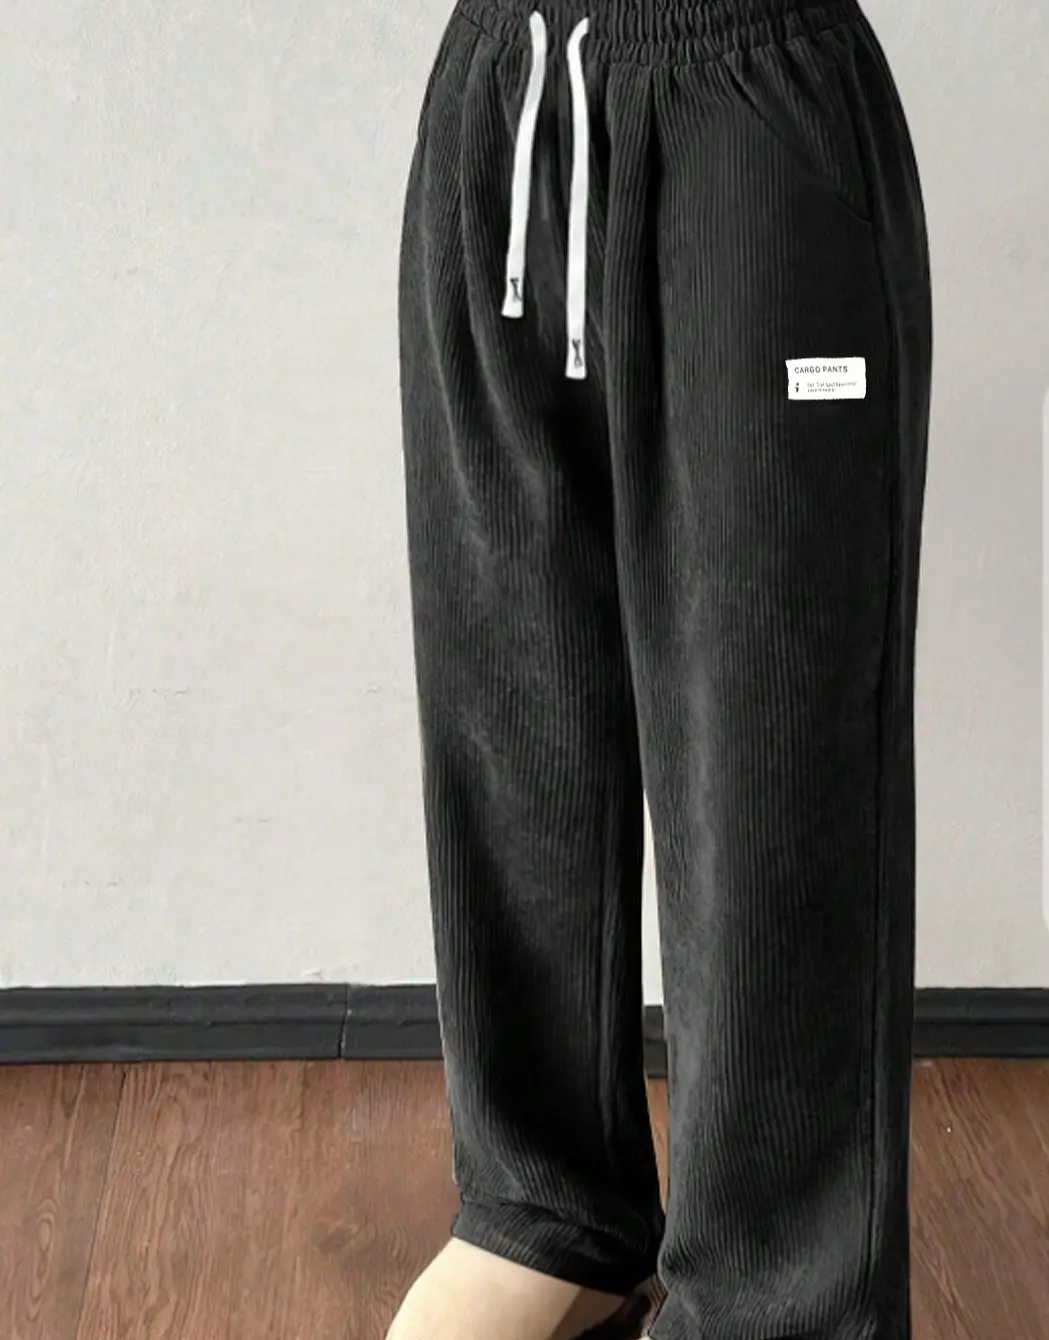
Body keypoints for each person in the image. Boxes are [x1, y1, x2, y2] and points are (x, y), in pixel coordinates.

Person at [390, 0, 932, 1338]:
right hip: (503, 90)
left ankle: (778, 1300)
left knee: (770, 739)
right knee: (509, 695)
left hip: (752, 101)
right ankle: (543, 1203)